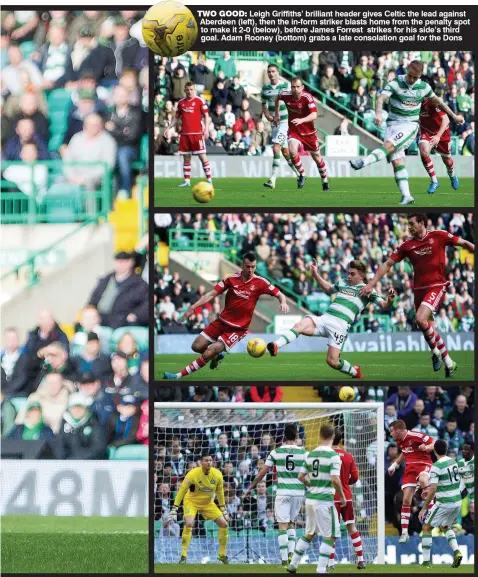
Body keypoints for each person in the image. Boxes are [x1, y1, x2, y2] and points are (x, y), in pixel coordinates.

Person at [359, 213, 475, 377]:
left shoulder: (439, 235)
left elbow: (463, 243)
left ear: (422, 223)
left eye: (412, 223)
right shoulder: (408, 245)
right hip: (418, 289)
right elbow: (388, 263)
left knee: (420, 319)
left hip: (436, 286)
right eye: (408, 224)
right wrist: (371, 283)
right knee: (428, 327)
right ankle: (449, 362)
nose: (409, 227)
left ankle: (435, 352)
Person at [350, 60, 464, 205]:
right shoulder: (396, 82)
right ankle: (407, 196)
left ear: (420, 76)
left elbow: (440, 102)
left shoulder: (424, 87)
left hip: (409, 126)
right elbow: (381, 98)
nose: (412, 80)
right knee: (397, 162)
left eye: (415, 78)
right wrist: (378, 113)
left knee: (389, 145)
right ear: (407, 70)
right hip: (392, 124)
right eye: (410, 76)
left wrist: (454, 116)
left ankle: (363, 162)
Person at [163, 253, 289, 379]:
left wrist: (283, 302)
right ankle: (217, 356)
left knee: (209, 351)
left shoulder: (260, 282)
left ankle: (177, 376)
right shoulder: (231, 279)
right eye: (248, 266)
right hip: (222, 322)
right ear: (241, 265)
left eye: (253, 267)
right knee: (196, 346)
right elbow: (211, 294)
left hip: (238, 329)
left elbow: (279, 294)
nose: (250, 270)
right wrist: (193, 307)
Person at [269, 259, 395, 379]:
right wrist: (315, 274)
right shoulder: (343, 282)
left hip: (340, 326)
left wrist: (390, 300)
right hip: (325, 318)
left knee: (332, 361)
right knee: (299, 326)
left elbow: (384, 306)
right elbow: (329, 289)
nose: (349, 276)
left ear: (361, 275)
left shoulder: (367, 290)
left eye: (353, 274)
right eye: (348, 273)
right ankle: (276, 345)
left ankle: (355, 371)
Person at [243, 424, 306, 567]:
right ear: (297, 436)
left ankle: (284, 560)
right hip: (298, 493)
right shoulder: (304, 453)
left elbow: (262, 473)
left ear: (284, 437)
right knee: (291, 523)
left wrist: (250, 488)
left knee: (282, 525)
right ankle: (291, 554)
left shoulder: (276, 452)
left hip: (283, 491)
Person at [287, 424, 347, 575]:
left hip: (311, 500)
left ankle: (293, 565)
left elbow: (301, 477)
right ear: (333, 437)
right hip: (325, 500)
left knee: (310, 533)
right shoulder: (333, 456)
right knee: (331, 535)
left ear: (320, 436)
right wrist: (342, 495)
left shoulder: (311, 454)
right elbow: (334, 479)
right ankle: (321, 569)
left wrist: (311, 485)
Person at [168, 453, 229, 564]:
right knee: (189, 524)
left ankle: (222, 555)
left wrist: (224, 510)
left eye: (210, 460)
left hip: (207, 503)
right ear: (201, 462)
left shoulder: (218, 475)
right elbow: (181, 491)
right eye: (206, 460)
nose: (209, 462)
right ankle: (183, 556)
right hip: (191, 502)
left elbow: (220, 493)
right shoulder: (193, 474)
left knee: (224, 524)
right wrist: (174, 508)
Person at [275, 76, 329, 191]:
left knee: (317, 158)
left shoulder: (307, 97)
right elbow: (277, 97)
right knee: (292, 150)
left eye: (298, 87)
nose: (295, 89)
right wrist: (276, 113)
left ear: (302, 87)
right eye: (293, 87)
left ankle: (325, 182)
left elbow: (314, 115)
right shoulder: (285, 94)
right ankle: (302, 174)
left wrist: (301, 120)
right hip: (294, 130)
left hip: (309, 133)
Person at [387, 419, 435, 543]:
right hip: (410, 469)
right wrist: (394, 465)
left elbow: (434, 443)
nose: (390, 434)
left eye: (392, 431)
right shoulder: (399, 440)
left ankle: (432, 511)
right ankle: (404, 533)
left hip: (423, 464)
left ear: (398, 430)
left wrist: (427, 447)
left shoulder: (416, 435)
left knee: (424, 480)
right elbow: (404, 452)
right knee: (406, 500)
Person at [418, 439, 463, 568]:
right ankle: (457, 551)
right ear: (446, 449)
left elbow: (432, 488)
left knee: (426, 527)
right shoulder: (453, 461)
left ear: (435, 450)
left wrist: (424, 508)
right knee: (444, 526)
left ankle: (426, 562)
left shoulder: (436, 466)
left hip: (444, 503)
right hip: (457, 501)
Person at [328, 429, 365, 570]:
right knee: (352, 528)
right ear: (341, 440)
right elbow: (355, 477)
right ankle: (361, 560)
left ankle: (331, 563)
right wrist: (345, 484)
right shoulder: (348, 456)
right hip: (347, 497)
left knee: (331, 531)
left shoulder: (327, 455)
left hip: (331, 497)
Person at [164, 82, 212, 188]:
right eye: (188, 90)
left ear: (194, 90)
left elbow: (206, 115)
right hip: (185, 134)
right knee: (186, 157)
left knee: (202, 156)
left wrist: (206, 129)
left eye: (191, 89)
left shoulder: (199, 101)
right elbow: (176, 117)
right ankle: (187, 181)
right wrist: (168, 128)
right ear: (185, 90)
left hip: (197, 134)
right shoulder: (181, 103)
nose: (190, 91)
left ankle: (209, 179)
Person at [261, 64, 299, 189]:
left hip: (285, 121)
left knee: (276, 147)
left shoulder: (285, 86)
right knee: (284, 151)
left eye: (273, 71)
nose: (271, 74)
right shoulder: (265, 88)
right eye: (269, 72)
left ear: (278, 72)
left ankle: (272, 180)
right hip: (274, 122)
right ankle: (299, 174)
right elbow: (263, 104)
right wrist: (267, 115)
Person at [88, 251, 148, 329]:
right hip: (99, 320)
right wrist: (91, 311)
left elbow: (146, 304)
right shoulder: (106, 279)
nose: (120, 264)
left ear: (130, 263)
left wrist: (135, 315)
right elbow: (93, 299)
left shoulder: (139, 284)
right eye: (118, 261)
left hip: (122, 323)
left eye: (123, 261)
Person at [419, 97, 459, 194]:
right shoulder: (411, 101)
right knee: (424, 152)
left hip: (442, 133)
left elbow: (446, 120)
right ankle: (434, 181)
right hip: (426, 131)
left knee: (447, 161)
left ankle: (452, 175)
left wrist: (437, 136)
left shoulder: (432, 101)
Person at [55, 393, 107, 459]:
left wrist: (77, 459)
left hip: (89, 463)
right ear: (69, 409)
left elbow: (98, 448)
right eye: (74, 407)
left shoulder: (94, 423)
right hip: (68, 463)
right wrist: (66, 459)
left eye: (80, 407)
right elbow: (59, 447)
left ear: (86, 409)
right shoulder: (64, 424)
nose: (77, 410)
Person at [457, 441, 474, 509]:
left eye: (466, 450)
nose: (463, 451)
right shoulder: (460, 463)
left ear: (473, 451)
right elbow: (462, 480)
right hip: (468, 494)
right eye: (463, 449)